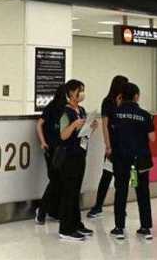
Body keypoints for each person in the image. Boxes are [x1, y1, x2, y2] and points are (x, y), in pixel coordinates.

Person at [109, 82, 155, 240]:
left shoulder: (115, 113)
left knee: (121, 191)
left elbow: (111, 134)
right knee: (142, 192)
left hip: (121, 159)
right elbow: (152, 138)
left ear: (121, 96)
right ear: (136, 96)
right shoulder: (145, 115)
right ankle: (145, 228)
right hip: (140, 160)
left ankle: (119, 228)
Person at [55, 80, 97, 241]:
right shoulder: (65, 112)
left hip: (80, 154)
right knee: (69, 192)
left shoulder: (82, 110)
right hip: (69, 156)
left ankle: (76, 224)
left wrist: (90, 127)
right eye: (80, 91)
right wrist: (73, 125)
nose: (82, 94)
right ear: (71, 93)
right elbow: (63, 135)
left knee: (76, 191)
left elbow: (83, 135)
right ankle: (65, 229)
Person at [88, 75, 129, 219]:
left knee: (122, 179)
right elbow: (105, 125)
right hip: (113, 145)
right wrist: (108, 145)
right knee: (106, 176)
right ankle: (98, 206)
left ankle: (121, 207)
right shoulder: (108, 102)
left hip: (125, 145)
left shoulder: (126, 101)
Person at [35, 85, 65, 224]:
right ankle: (42, 211)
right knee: (55, 180)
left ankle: (54, 210)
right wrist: (43, 142)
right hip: (53, 149)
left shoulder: (63, 108)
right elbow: (39, 124)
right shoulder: (53, 107)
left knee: (58, 181)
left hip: (59, 149)